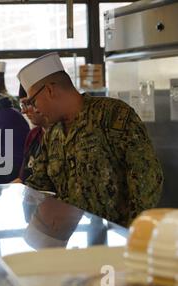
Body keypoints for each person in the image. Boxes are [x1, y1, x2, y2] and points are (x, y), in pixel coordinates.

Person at [17, 52, 163, 227]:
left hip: (113, 238)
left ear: (50, 90)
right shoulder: (52, 133)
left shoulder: (112, 115)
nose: (35, 109)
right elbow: (39, 184)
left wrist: (132, 231)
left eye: (33, 101)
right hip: (72, 239)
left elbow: (147, 178)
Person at [13, 85, 47, 183]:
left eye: (28, 103)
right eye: (22, 105)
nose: (23, 111)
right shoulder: (33, 135)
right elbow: (22, 179)